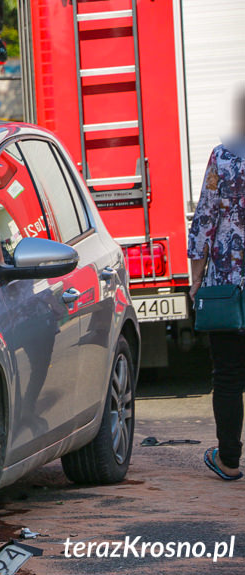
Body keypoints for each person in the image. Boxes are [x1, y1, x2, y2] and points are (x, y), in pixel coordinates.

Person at [188, 93, 245, 481]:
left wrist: (195, 281)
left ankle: (228, 460)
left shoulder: (223, 158)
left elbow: (205, 219)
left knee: (227, 375)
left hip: (227, 285)